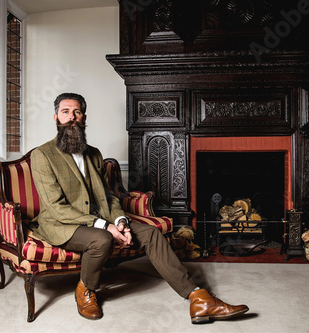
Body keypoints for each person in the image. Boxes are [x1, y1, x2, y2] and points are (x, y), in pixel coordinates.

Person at [30, 92, 249, 324]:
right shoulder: (42, 155)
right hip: (62, 224)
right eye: (65, 112)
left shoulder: (94, 154)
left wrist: (121, 222)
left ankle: (199, 298)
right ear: (56, 118)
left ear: (84, 117)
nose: (71, 117)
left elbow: (108, 197)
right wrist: (106, 227)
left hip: (99, 218)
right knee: (102, 239)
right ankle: (85, 289)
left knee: (152, 233)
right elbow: (56, 208)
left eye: (77, 112)